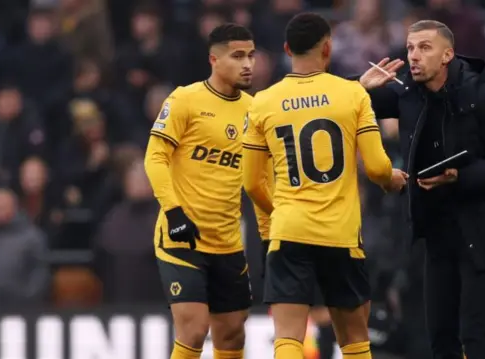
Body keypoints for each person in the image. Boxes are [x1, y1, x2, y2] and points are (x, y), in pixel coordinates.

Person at [242, 12, 408, 359]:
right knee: (355, 341)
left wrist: (280, 213)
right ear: (328, 49)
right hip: (341, 234)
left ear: (287, 49)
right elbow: (377, 168)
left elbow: (252, 182)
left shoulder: (262, 102)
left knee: (287, 337)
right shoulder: (352, 94)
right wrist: (392, 181)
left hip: (289, 231)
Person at [358, 20, 485, 359]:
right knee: (439, 336)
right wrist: (358, 87)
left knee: (475, 335)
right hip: (436, 230)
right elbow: (351, 104)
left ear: (447, 54)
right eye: (409, 48)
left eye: (424, 47)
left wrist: (459, 177)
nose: (413, 56)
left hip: (482, 228)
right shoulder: (407, 93)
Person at [143, 23, 268, 359]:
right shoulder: (185, 99)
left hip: (228, 241)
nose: (248, 64)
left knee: (231, 334)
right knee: (194, 329)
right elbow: (155, 157)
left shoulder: (254, 110)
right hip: (182, 237)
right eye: (238, 55)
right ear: (214, 59)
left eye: (252, 56)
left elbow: (262, 177)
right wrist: (173, 211)